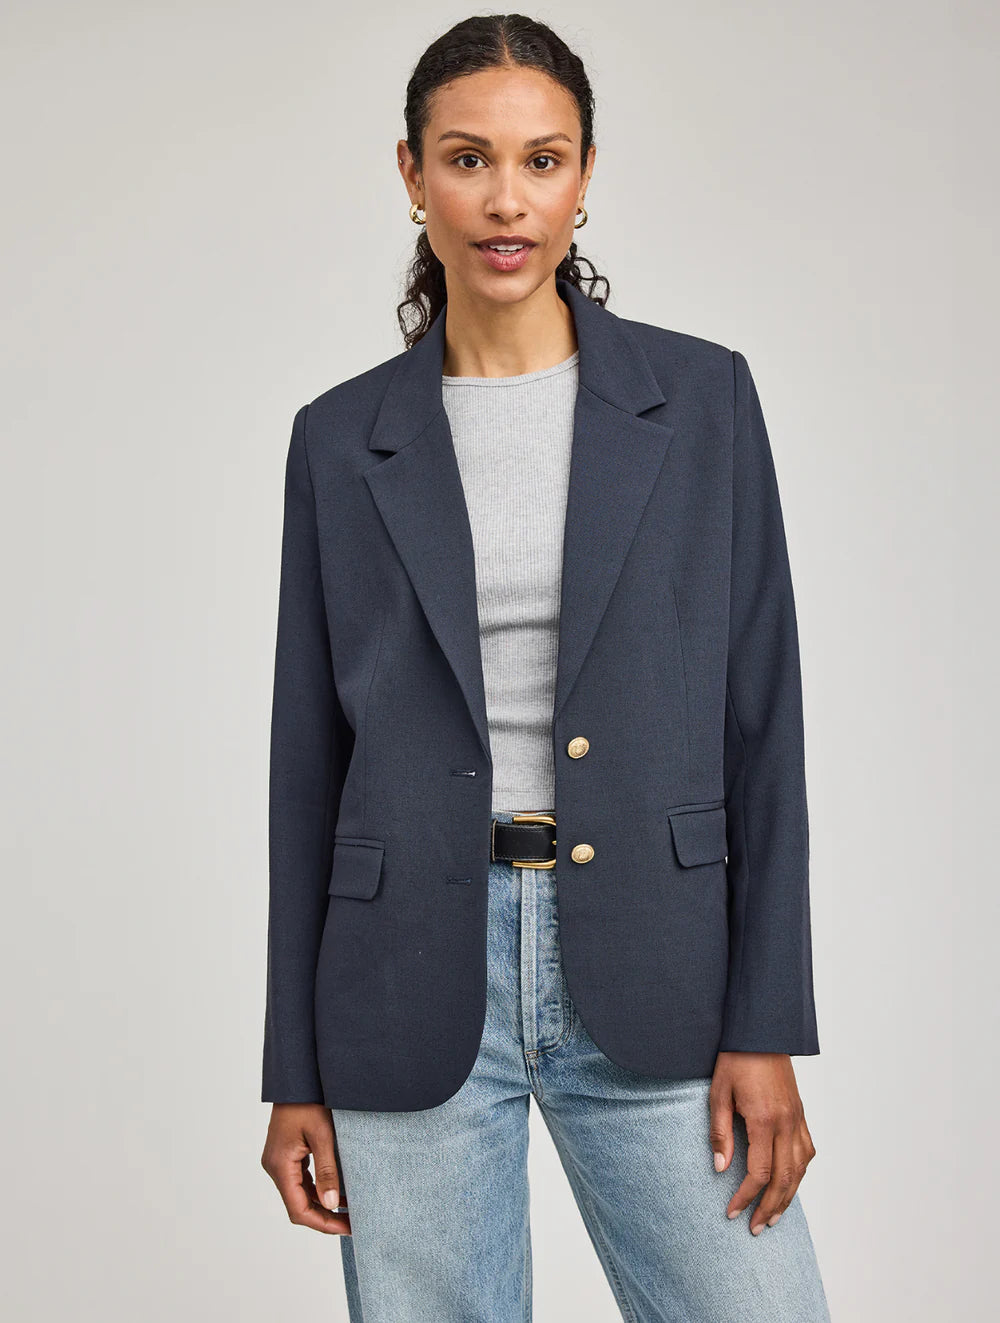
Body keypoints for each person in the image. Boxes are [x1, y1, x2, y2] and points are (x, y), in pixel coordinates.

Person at [259, 13, 830, 1322]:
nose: (506, 200)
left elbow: (764, 723)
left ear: (585, 175)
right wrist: (292, 1068)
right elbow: (306, 767)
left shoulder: (702, 402)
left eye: (542, 159)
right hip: (405, 974)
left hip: (660, 965)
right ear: (412, 174)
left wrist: (767, 1023)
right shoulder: (340, 439)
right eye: (468, 159)